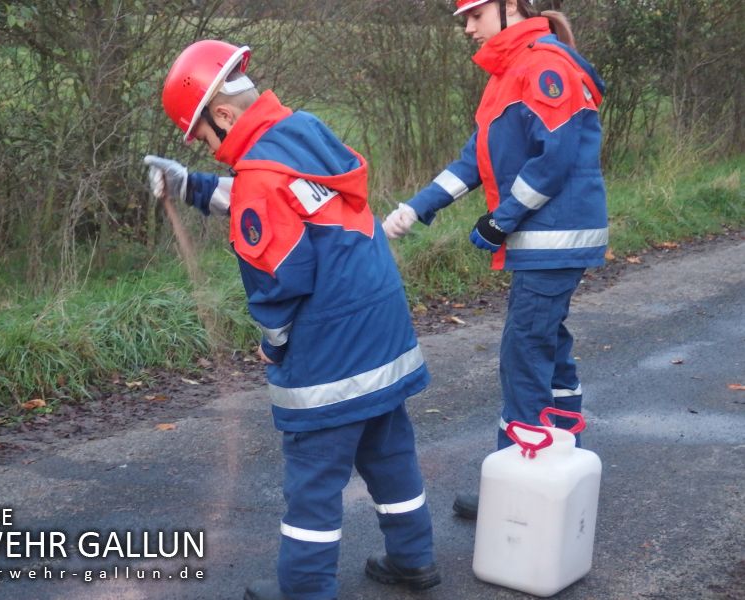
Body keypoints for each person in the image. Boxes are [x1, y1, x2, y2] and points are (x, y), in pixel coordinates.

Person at [145, 40, 441, 600]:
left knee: (313, 483)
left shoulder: (259, 174)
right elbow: (273, 194)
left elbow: (281, 278)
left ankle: (305, 589)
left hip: (330, 353)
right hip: (384, 333)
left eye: (204, 138)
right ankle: (414, 559)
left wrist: (274, 346)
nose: (208, 151)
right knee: (390, 454)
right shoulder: (303, 132)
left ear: (224, 115)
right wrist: (189, 185)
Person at [382, 0, 607, 520]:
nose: (467, 28)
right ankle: (559, 465)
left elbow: (554, 160)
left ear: (509, 8)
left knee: (524, 354)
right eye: (464, 18)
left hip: (555, 238)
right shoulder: (508, 73)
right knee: (548, 350)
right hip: (548, 241)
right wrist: (415, 209)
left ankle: (516, 487)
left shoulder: (544, 66)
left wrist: (500, 220)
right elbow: (474, 161)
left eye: (473, 16)